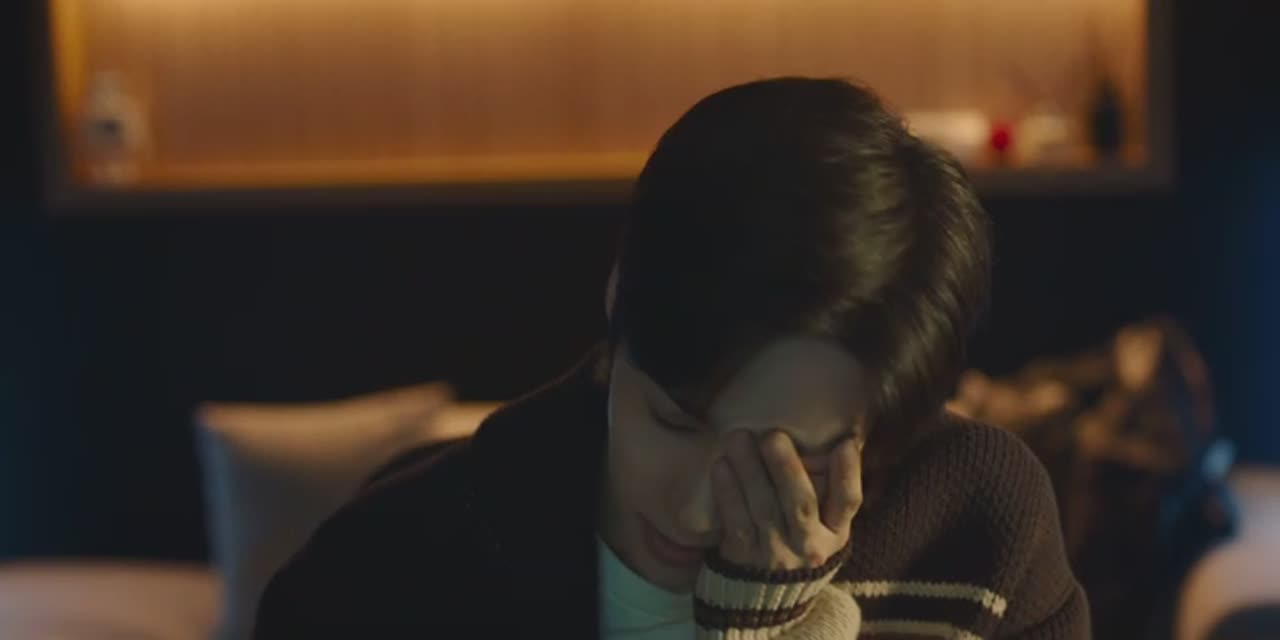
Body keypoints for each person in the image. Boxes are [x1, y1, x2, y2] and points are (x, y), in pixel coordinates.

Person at [253, 77, 1088, 639]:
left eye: (786, 461)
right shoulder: (392, 567)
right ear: (618, 298)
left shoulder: (982, 534)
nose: (696, 511)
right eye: (676, 421)